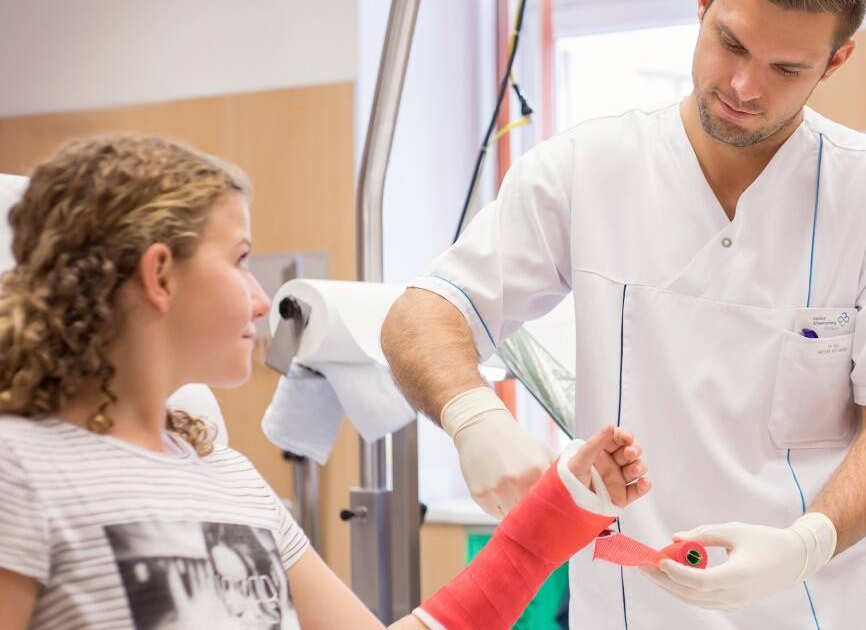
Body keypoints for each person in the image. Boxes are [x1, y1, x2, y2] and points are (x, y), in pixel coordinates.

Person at [381, 0, 866, 627]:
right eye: (731, 43)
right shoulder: (588, 169)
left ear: (836, 62)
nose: (745, 87)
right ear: (702, 0)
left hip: (816, 604)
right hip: (633, 609)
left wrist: (802, 547)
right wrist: (474, 419)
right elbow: (423, 312)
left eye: (787, 69)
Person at [0, 135, 651, 630]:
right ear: (160, 274)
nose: (261, 299)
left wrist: (553, 516)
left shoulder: (225, 477)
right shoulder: (20, 472)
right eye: (240, 261)